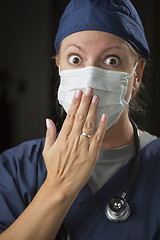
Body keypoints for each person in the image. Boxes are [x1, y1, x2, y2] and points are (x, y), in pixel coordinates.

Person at [0, 0, 160, 239]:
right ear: (59, 68)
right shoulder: (15, 168)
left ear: (136, 75)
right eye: (75, 59)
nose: (90, 80)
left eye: (111, 60)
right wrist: (59, 186)